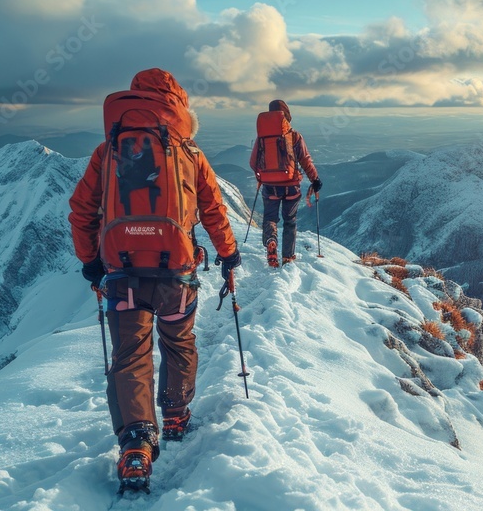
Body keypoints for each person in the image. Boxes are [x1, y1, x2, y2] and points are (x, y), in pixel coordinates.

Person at [69, 68, 241, 492]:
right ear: (177, 106)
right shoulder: (189, 151)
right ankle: (176, 414)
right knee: (178, 341)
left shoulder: (106, 152)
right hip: (176, 273)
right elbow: (213, 210)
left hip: (122, 272)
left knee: (130, 355)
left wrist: (91, 262)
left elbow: (81, 210)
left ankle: (136, 446)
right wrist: (228, 255)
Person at [254, 99, 322, 267]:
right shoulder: (294, 136)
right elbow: (305, 160)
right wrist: (315, 180)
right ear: (287, 115)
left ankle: (271, 240)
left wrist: (261, 176)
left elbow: (252, 161)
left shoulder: (262, 137)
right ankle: (287, 256)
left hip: (270, 186)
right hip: (291, 187)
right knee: (290, 220)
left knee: (270, 218)